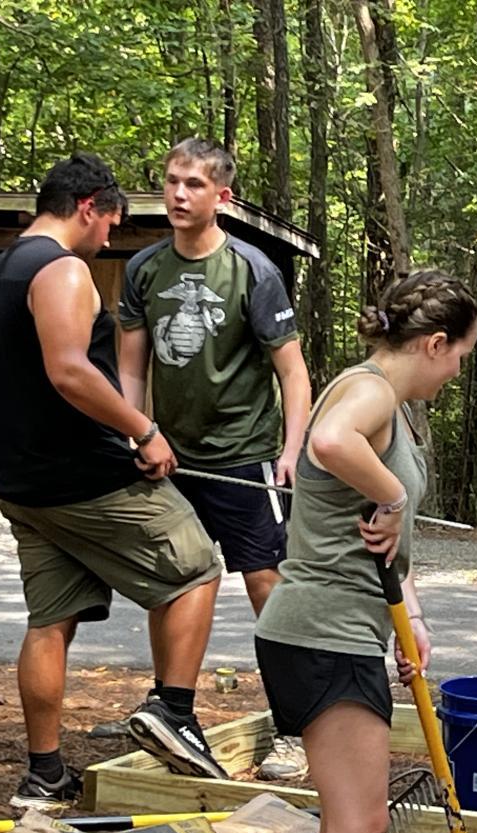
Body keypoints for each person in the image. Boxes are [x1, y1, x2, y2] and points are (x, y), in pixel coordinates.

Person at [0, 153, 230, 809]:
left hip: (23, 485)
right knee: (197, 568)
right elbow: (68, 370)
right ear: (88, 207)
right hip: (88, 478)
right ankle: (173, 711)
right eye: (110, 224)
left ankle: (44, 775)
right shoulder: (60, 270)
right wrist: (144, 430)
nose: (108, 240)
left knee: (51, 619)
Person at [253, 270, 477, 833]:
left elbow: (379, 544)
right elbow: (328, 442)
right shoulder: (371, 390)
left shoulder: (387, 403)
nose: (457, 372)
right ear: (435, 344)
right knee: (360, 829)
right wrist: (393, 495)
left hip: (339, 629)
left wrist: (413, 620)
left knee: (351, 828)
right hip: (323, 630)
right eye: (461, 355)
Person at [116, 138, 313, 779]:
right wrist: (138, 433)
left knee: (267, 586)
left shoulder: (252, 270)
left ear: (221, 197)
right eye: (172, 180)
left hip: (244, 455)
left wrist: (292, 450)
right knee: (172, 583)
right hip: (170, 457)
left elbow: (293, 372)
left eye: (194, 184)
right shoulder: (143, 268)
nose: (179, 194)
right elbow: (131, 367)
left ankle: (294, 727)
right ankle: (167, 714)